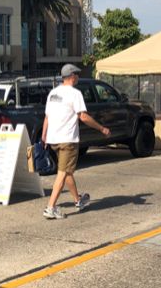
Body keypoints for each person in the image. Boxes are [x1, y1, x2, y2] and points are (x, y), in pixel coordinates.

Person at [40, 64, 110, 219]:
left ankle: (78, 200)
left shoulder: (53, 93)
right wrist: (101, 128)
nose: (78, 76)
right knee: (63, 173)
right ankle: (50, 207)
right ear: (72, 76)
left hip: (54, 139)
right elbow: (83, 116)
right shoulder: (75, 93)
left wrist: (44, 136)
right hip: (67, 139)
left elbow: (47, 117)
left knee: (67, 171)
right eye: (77, 74)